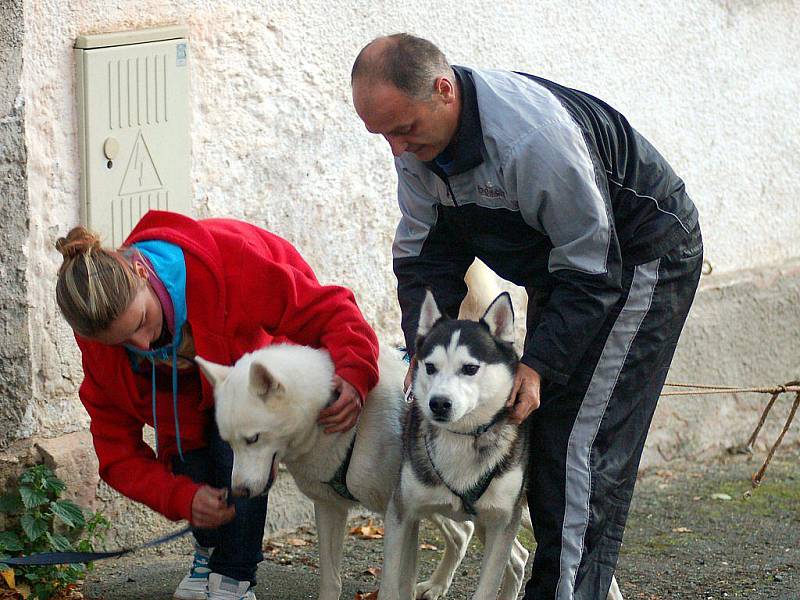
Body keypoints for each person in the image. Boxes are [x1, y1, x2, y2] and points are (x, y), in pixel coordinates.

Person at [351, 34, 702, 600]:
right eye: (382, 135)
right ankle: (585, 577)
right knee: (540, 427)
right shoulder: (419, 152)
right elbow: (424, 260)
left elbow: (593, 268)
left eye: (403, 130)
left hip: (641, 255)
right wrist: (425, 353)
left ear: (444, 91)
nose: (395, 149)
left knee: (577, 440)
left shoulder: (532, 141)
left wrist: (537, 367)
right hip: (564, 269)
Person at [55, 210, 379, 600]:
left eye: (142, 321)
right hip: (184, 393)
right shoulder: (101, 349)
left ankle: (234, 578)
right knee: (188, 465)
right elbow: (117, 455)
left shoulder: (232, 262)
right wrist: (182, 498)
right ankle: (207, 551)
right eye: (122, 340)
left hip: (249, 368)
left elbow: (327, 309)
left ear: (141, 272)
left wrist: (356, 370)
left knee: (238, 458)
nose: (142, 344)